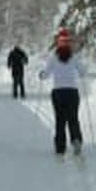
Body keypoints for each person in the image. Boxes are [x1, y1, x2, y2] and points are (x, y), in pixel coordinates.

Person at [39, 28, 87, 156]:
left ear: (59, 42)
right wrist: (81, 72)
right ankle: (76, 139)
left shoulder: (53, 57)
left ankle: (60, 147)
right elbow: (83, 72)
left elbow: (46, 74)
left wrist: (41, 75)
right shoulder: (74, 56)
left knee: (60, 120)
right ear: (69, 42)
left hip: (58, 93)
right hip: (72, 92)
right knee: (73, 118)